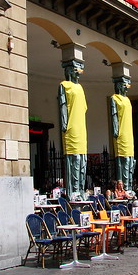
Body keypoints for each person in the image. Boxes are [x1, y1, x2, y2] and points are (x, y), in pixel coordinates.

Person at [58, 60, 87, 198]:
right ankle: (74, 191)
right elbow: (63, 106)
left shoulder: (80, 88)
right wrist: (64, 125)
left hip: (81, 128)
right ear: (69, 71)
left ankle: (80, 189)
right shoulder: (64, 85)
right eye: (75, 69)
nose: (78, 72)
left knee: (82, 160)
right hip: (71, 127)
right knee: (74, 158)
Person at [111, 76, 135, 191]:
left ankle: (128, 186)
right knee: (123, 161)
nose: (126, 86)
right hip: (121, 135)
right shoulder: (114, 98)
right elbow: (114, 115)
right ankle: (123, 189)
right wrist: (116, 131)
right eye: (124, 84)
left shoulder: (128, 100)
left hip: (129, 135)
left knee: (130, 162)